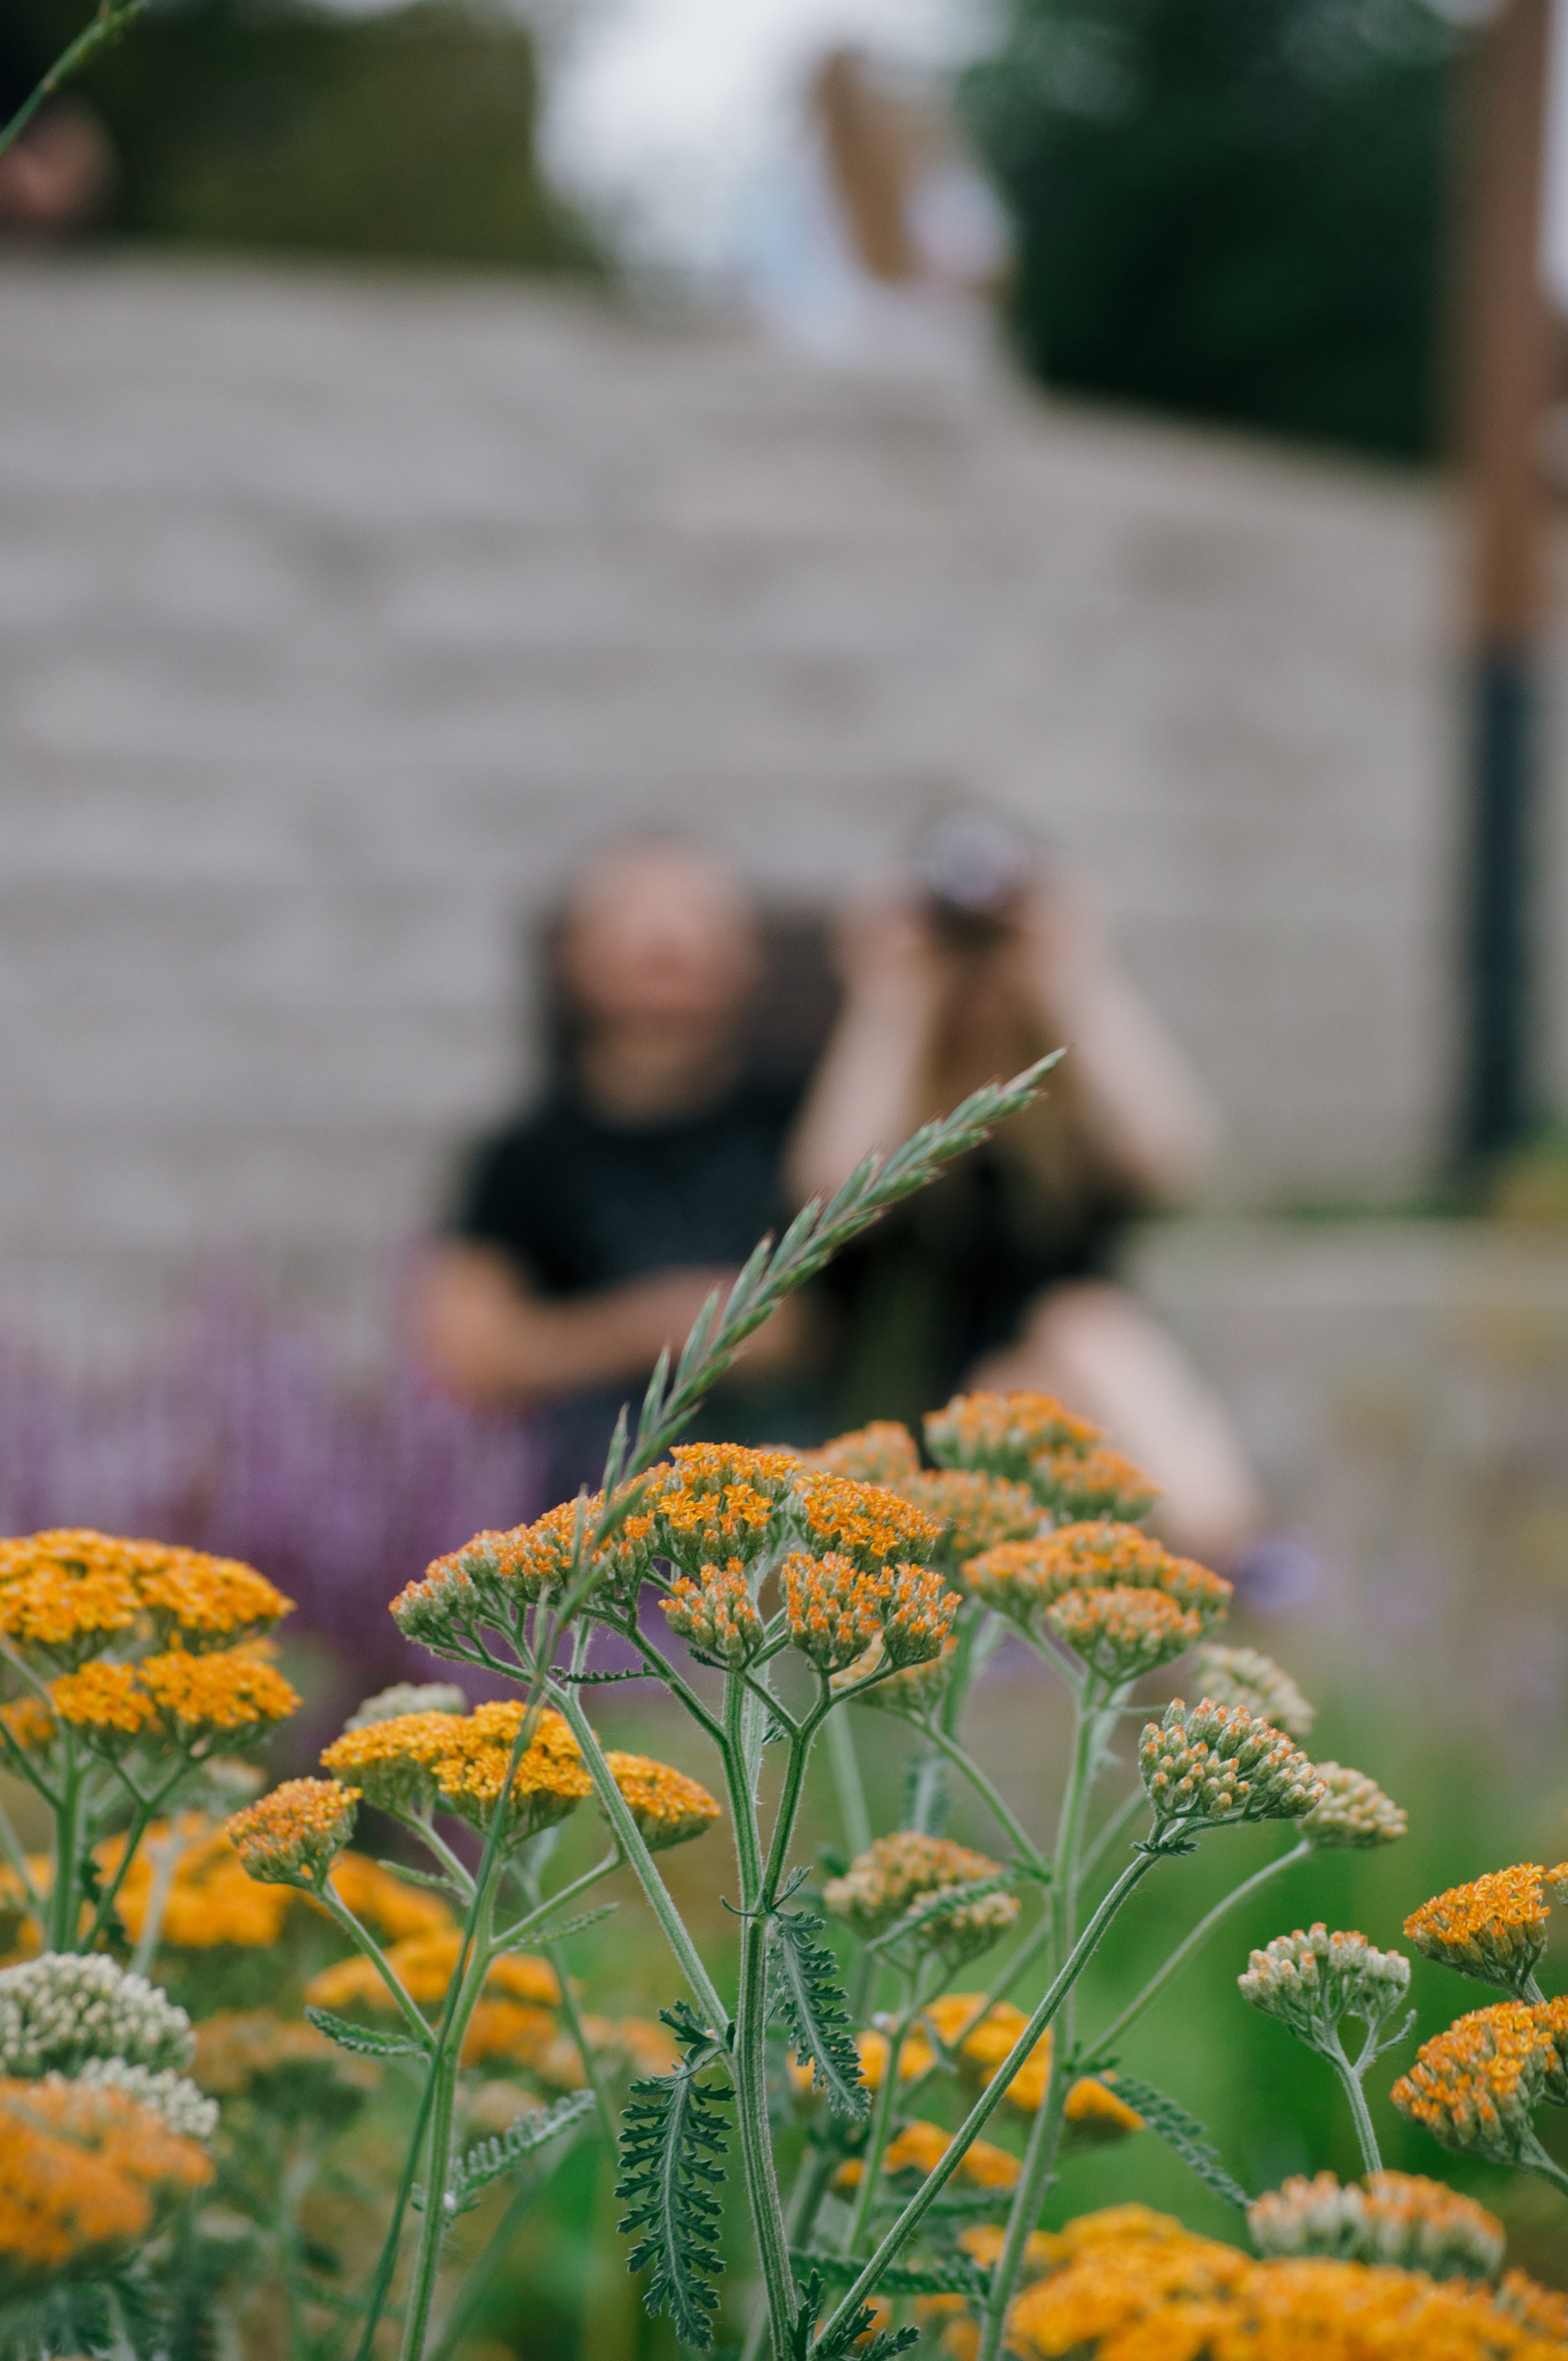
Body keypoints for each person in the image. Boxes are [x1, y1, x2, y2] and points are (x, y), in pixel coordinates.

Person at [787, 816, 1262, 1571]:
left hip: (1073, 1402)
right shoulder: (870, 1085)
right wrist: (893, 994)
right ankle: (1220, 1552)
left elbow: (1176, 1157)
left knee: (1082, 1329)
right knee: (1086, 1327)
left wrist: (1074, 974)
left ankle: (1201, 1547)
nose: (979, 966)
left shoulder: (1069, 1108)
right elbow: (827, 1195)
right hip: (917, 1427)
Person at [415, 840, 817, 1497]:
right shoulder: (524, 1156)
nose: (666, 942)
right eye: (634, 922)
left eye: (695, 920)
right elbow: (466, 1349)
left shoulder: (806, 1123)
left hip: (793, 1487)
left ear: (750, 958)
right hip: (598, 1499)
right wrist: (660, 1326)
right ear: (573, 959)